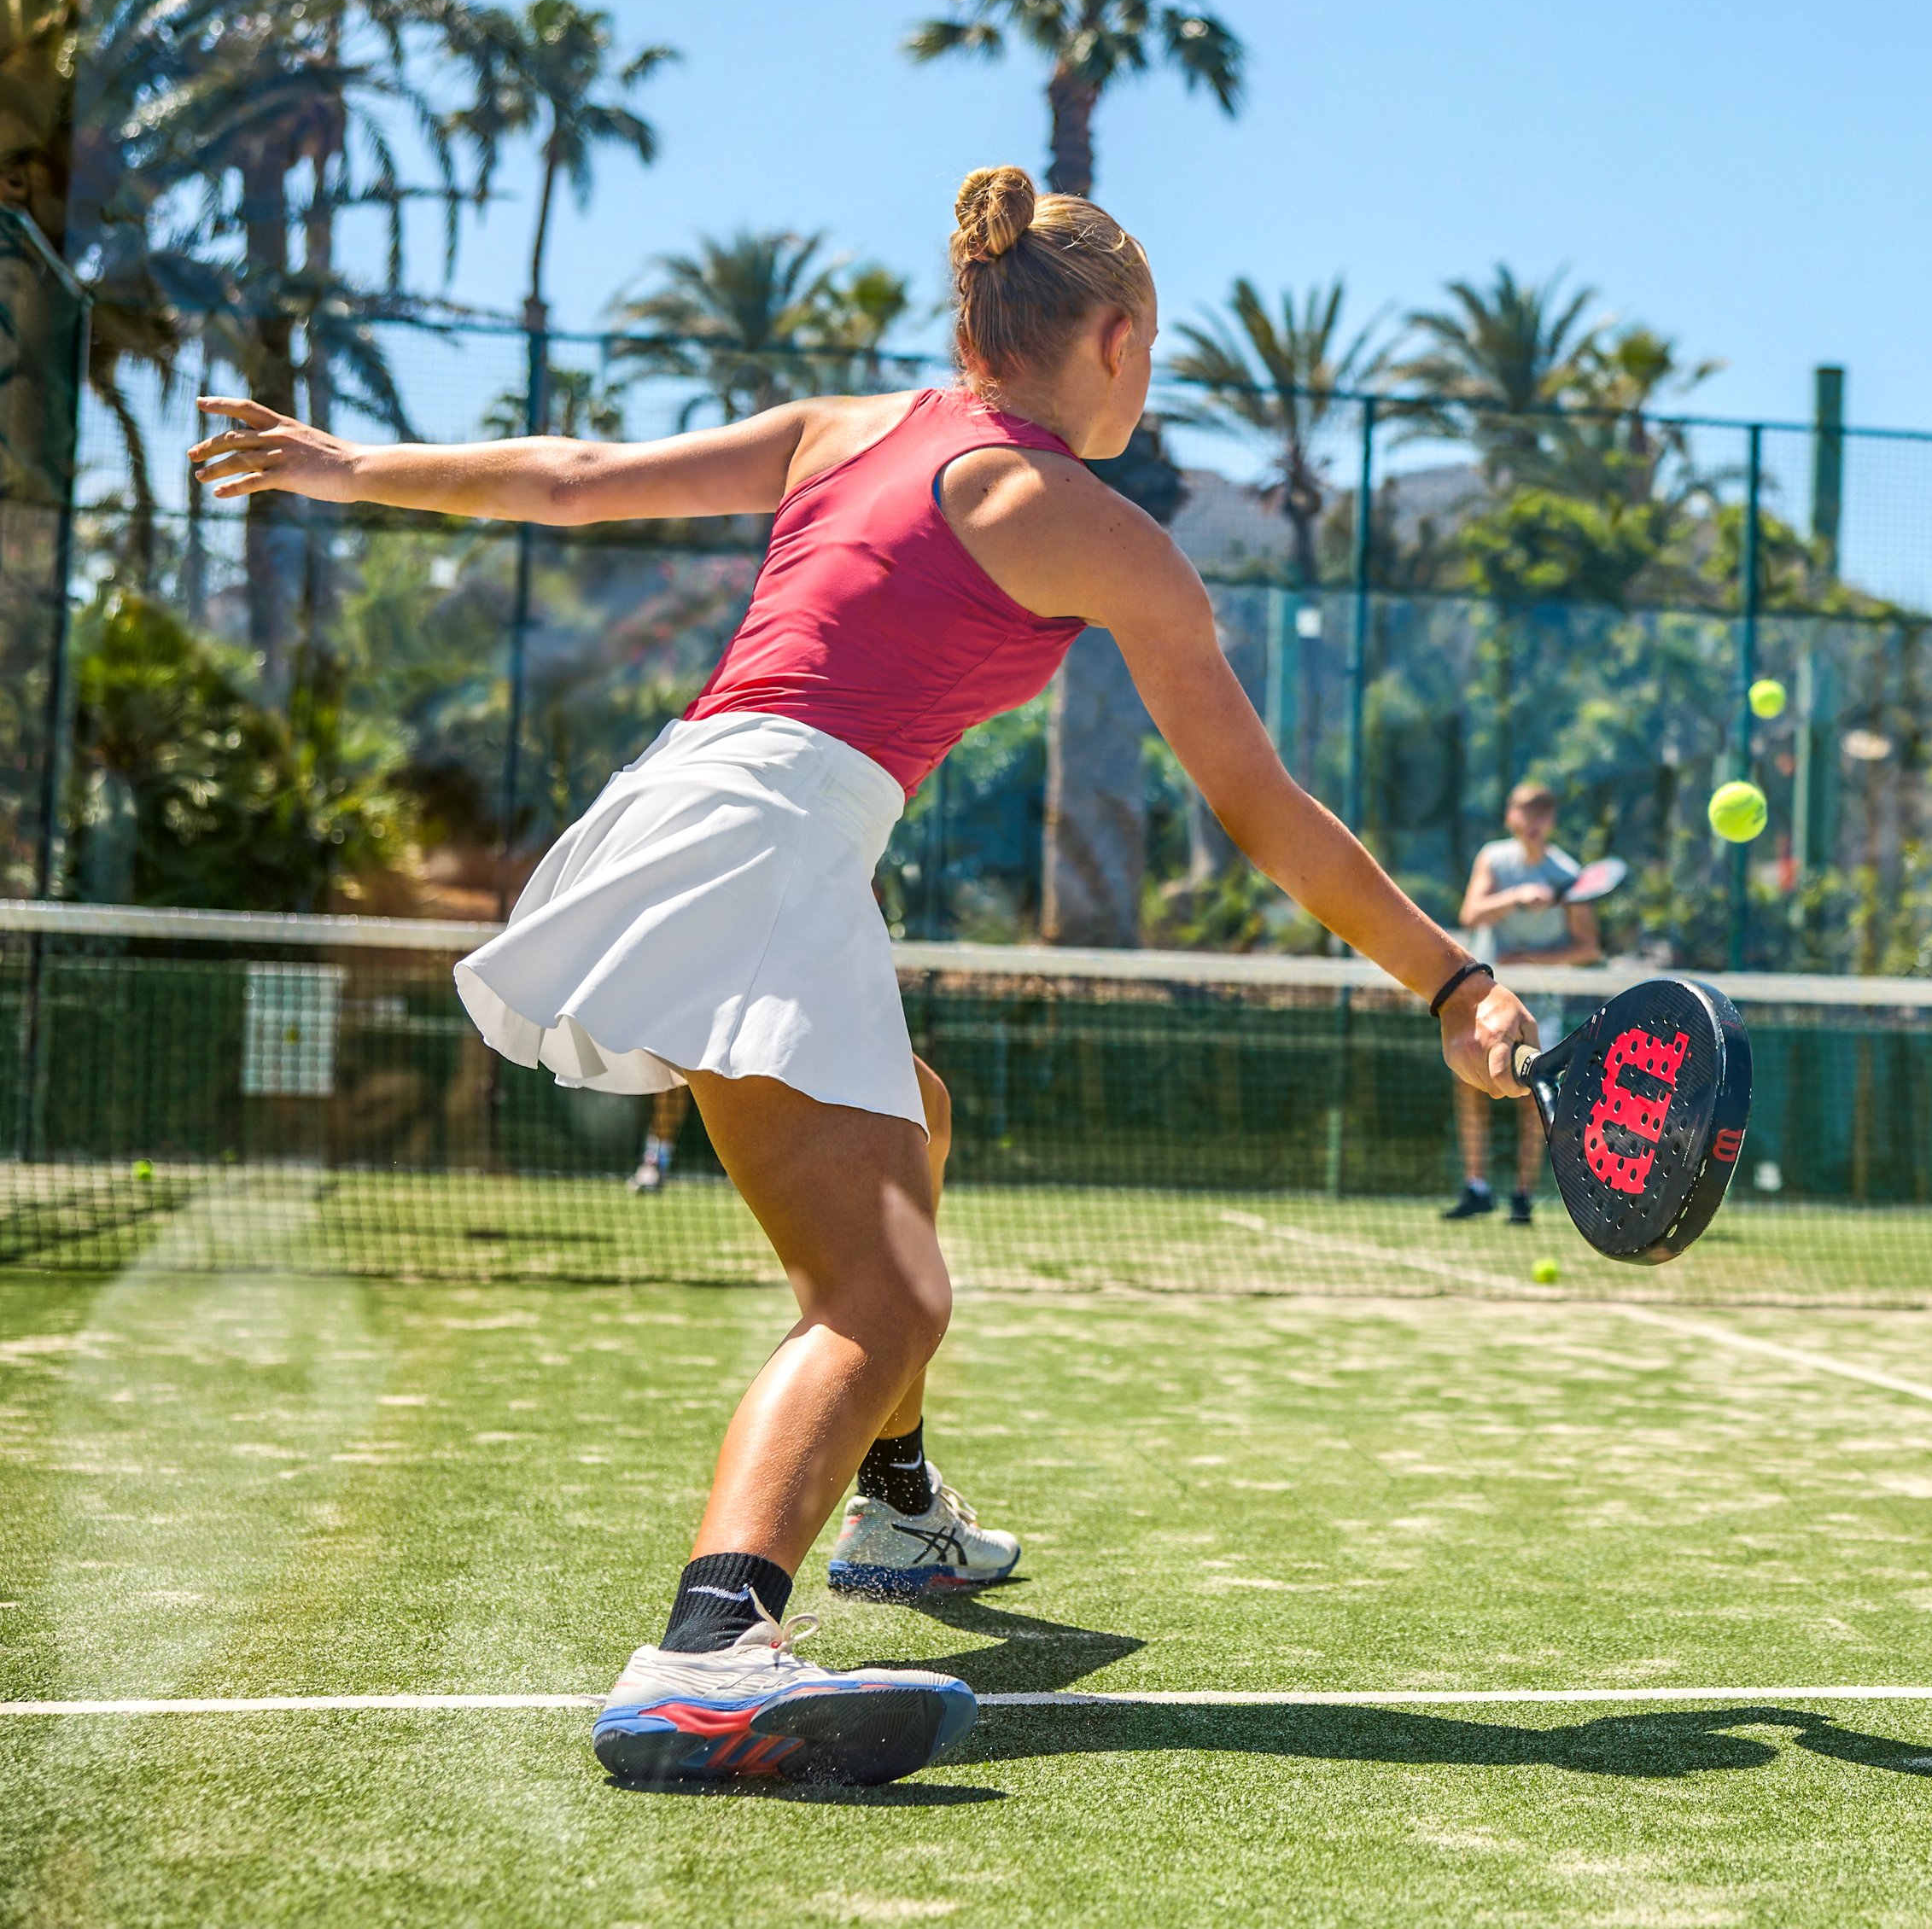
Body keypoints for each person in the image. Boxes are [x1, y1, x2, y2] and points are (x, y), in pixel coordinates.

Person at [190, 168, 1538, 1785]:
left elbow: (571, 478)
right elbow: (1261, 810)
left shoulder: (850, 426)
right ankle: (707, 1650)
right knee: (884, 1293)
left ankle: (896, 1515)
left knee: (918, 1113)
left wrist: (345, 467)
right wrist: (1452, 983)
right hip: (766, 837)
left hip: (686, 799)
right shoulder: (1094, 532)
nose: (1151, 377)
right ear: (1110, 339)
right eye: (1155, 349)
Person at [1444, 781, 1599, 1222]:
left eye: (1543, 812)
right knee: (1470, 1084)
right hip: (1487, 997)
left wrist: (1529, 958)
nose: (1534, 821)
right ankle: (1477, 1188)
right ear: (1511, 816)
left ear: (1551, 821)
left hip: (1541, 1003)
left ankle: (1523, 1196)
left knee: (1535, 1092)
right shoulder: (1493, 860)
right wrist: (1515, 898)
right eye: (1526, 811)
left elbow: (1588, 947)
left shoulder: (1568, 874)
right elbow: (1470, 914)